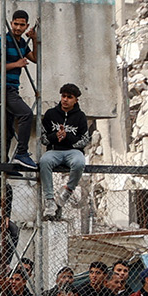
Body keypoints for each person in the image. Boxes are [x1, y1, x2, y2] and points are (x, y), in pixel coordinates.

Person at [0, 9, 40, 173]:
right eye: (15, 24)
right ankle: (21, 153)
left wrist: (34, 39)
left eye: (22, 25)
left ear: (27, 26)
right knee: (26, 114)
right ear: (11, 24)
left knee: (7, 129)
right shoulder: (3, 40)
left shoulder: (21, 44)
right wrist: (16, 64)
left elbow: (35, 59)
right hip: (0, 88)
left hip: (11, 89)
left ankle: (1, 164)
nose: (18, 28)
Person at [38, 82, 92, 220]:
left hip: (73, 151)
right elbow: (43, 139)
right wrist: (55, 137)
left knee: (80, 162)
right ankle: (50, 201)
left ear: (76, 100)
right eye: (63, 96)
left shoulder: (80, 116)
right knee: (44, 161)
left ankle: (67, 191)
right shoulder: (51, 114)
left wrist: (68, 137)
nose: (65, 99)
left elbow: (84, 140)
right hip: (54, 151)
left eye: (69, 97)